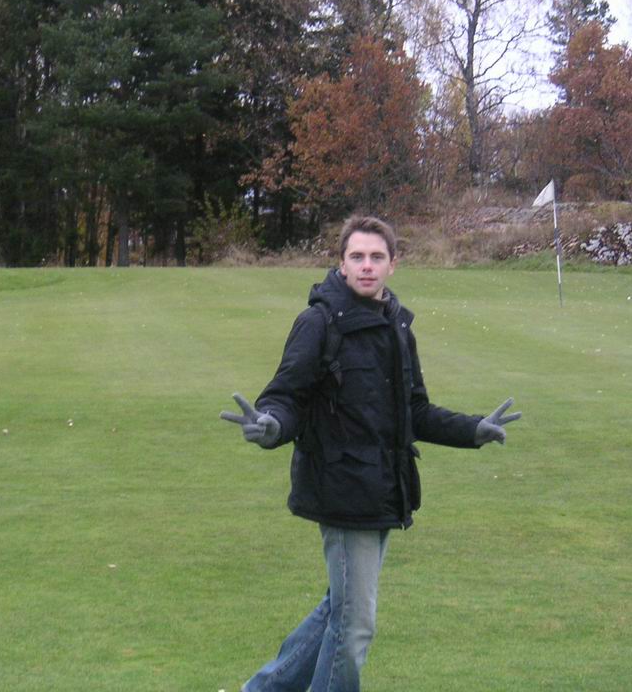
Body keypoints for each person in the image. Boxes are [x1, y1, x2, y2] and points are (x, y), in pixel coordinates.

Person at [220, 215, 521, 692]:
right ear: (341, 264)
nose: (366, 266)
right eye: (357, 256)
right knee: (355, 625)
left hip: (384, 489)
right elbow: (286, 396)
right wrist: (271, 424)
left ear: (392, 265)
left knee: (338, 610)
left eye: (376, 257)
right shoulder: (318, 322)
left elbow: (414, 410)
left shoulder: (397, 324)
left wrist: (473, 429)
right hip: (341, 491)